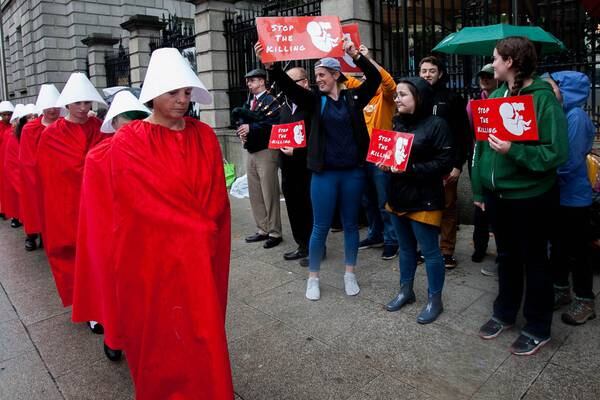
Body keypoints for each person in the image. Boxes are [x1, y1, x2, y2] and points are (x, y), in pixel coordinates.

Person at [97, 48, 233, 398]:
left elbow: (216, 191)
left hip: (201, 252)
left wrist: (206, 231)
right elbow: (140, 200)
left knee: (202, 328)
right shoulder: (128, 139)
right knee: (161, 331)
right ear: (154, 93)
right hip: (154, 257)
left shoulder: (203, 134)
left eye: (187, 92)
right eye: (173, 92)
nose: (182, 100)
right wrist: (195, 229)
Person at [256, 39, 382, 301]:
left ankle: (350, 273)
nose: (318, 80)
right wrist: (272, 67)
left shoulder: (353, 97)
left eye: (322, 75)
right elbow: (290, 88)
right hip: (324, 175)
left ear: (336, 75)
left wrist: (356, 55)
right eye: (315, 76)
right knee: (320, 227)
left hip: (352, 173)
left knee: (349, 226)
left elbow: (374, 77)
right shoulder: (314, 101)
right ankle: (313, 277)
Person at [472, 36, 568, 356]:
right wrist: (481, 187)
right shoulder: (496, 96)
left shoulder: (543, 100)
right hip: (498, 197)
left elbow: (556, 153)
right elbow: (482, 148)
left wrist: (515, 151)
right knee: (507, 257)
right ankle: (504, 313)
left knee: (535, 261)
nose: (492, 63)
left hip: (531, 197)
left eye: (496, 58)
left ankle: (537, 327)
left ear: (511, 62)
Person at [71, 90, 151, 362]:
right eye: (125, 120)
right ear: (114, 123)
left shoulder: (153, 150)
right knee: (115, 290)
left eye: (136, 119)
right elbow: (95, 206)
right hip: (113, 236)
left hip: (146, 235)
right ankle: (115, 338)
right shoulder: (98, 156)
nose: (131, 125)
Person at [383, 77, 454, 324]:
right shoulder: (397, 122)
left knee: (431, 252)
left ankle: (435, 299)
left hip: (425, 198)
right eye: (397, 95)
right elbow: (394, 155)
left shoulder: (437, 125)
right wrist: (385, 162)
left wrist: (410, 168)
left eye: (403, 95)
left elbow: (445, 162)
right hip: (398, 196)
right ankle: (406, 291)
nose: (397, 99)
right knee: (405, 248)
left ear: (418, 98)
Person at [36, 72, 108, 309]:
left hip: (97, 201)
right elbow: (47, 176)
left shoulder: (99, 126)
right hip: (66, 203)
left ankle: (102, 302)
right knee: (74, 257)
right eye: (78, 102)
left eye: (87, 102)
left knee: (99, 255)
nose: (83, 107)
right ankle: (86, 305)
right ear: (67, 104)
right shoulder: (51, 134)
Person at [545, 71, 596, 325]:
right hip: (560, 195)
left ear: (566, 90)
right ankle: (561, 290)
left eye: (553, 87)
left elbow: (568, 161)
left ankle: (585, 300)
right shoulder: (563, 115)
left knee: (578, 250)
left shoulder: (575, 117)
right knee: (559, 247)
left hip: (574, 198)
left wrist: (541, 168)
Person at [345, 45, 400, 260]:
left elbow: (388, 82)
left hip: (381, 154)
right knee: (367, 199)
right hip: (361, 154)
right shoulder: (360, 94)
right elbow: (342, 80)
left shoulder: (385, 97)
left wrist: (368, 59)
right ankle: (375, 234)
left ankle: (391, 239)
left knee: (383, 200)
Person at [419, 56, 470, 269]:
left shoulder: (452, 98)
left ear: (440, 73)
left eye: (432, 70)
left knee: (448, 207)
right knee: (424, 207)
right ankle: (427, 248)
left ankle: (446, 251)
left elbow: (463, 134)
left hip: (447, 164)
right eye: (424, 71)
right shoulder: (416, 96)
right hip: (422, 165)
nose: (427, 75)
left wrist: (458, 164)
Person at [237, 68, 283, 249]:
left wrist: (251, 128)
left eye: (253, 80)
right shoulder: (250, 100)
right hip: (251, 149)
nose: (249, 84)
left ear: (262, 81)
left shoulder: (271, 101)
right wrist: (241, 130)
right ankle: (262, 228)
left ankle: (275, 232)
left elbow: (274, 124)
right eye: (248, 81)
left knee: (269, 192)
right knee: (255, 192)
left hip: (266, 150)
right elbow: (241, 118)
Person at [19, 85, 64, 251]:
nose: (52, 110)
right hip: (38, 176)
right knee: (35, 207)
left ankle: (50, 235)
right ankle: (31, 235)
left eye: (55, 106)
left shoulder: (65, 126)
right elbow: (27, 158)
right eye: (49, 106)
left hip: (60, 177)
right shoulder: (30, 129)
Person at [278, 67, 314, 265]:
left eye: (294, 82)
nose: (289, 88)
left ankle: (315, 247)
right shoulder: (284, 106)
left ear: (305, 82)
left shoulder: (311, 104)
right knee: (293, 208)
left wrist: (298, 151)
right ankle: (301, 245)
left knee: (308, 208)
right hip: (288, 167)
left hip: (306, 167)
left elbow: (317, 139)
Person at [467, 64, 500, 275]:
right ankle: (479, 247)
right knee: (480, 208)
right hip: (479, 156)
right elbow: (471, 132)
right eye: (482, 76)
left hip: (498, 158)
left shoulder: (504, 99)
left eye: (489, 76)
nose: (485, 79)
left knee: (497, 211)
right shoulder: (473, 104)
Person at [2, 104, 26, 228]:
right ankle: (15, 216)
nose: (6, 117)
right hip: (10, 165)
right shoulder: (9, 134)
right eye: (4, 114)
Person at [0, 100, 14, 220]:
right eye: (4, 114)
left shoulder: (14, 126)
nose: (7, 117)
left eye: (9, 114)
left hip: (8, 159)